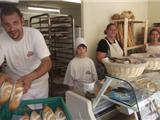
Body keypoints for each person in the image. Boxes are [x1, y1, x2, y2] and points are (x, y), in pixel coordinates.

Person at [0, 6, 52, 101]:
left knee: (40, 112)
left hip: (40, 84)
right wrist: (1, 75)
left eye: (15, 23)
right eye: (7, 24)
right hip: (18, 86)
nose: (12, 29)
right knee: (21, 114)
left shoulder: (34, 35)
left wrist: (30, 77)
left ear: (22, 20)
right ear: (2, 25)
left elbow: (47, 62)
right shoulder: (1, 40)